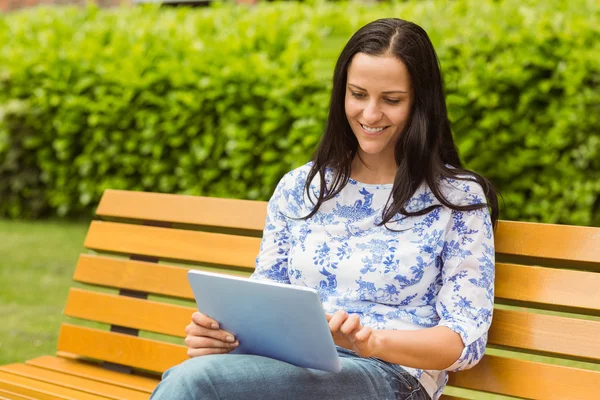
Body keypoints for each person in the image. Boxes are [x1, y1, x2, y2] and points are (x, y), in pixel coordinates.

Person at [150, 17, 498, 400]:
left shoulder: (458, 200)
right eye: (358, 94)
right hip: (289, 368)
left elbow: (465, 342)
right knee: (199, 373)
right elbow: (265, 295)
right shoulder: (300, 188)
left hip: (389, 377)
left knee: (196, 383)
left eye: (392, 100)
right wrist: (223, 336)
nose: (370, 114)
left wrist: (372, 341)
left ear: (421, 103)